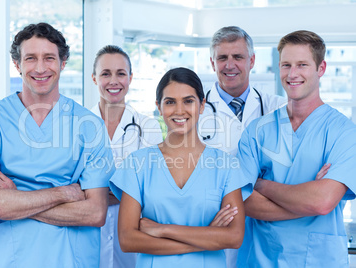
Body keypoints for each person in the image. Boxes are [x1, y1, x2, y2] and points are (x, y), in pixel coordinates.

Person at [0, 22, 115, 268]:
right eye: (31, 58)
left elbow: (95, 213)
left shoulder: (90, 126)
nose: (41, 68)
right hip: (8, 260)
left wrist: (14, 199)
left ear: (62, 63)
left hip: (71, 260)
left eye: (49, 58)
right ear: (17, 65)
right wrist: (63, 193)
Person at [109, 67, 252, 267]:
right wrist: (208, 237)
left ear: (202, 105)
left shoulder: (225, 166)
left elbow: (234, 237)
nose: (179, 110)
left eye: (188, 101)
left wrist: (164, 230)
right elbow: (127, 240)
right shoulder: (137, 164)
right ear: (159, 107)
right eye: (170, 102)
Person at [236, 30, 356, 267]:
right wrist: (308, 200)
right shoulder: (257, 130)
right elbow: (243, 203)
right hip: (260, 259)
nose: (292, 74)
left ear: (321, 68)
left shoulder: (344, 132)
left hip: (319, 260)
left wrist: (260, 184)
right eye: (286, 65)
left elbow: (322, 202)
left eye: (302, 64)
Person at [91, 45, 163, 268]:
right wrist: (126, 189)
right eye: (106, 74)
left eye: (120, 73)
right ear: (94, 78)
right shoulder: (79, 126)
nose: (114, 81)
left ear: (130, 78)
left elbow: (150, 188)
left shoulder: (147, 126)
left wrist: (91, 192)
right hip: (89, 235)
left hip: (135, 235)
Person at [199, 26, 286, 157]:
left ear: (252, 61)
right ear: (212, 63)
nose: (229, 65)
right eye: (222, 58)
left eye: (237, 57)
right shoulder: (195, 113)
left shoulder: (278, 107)